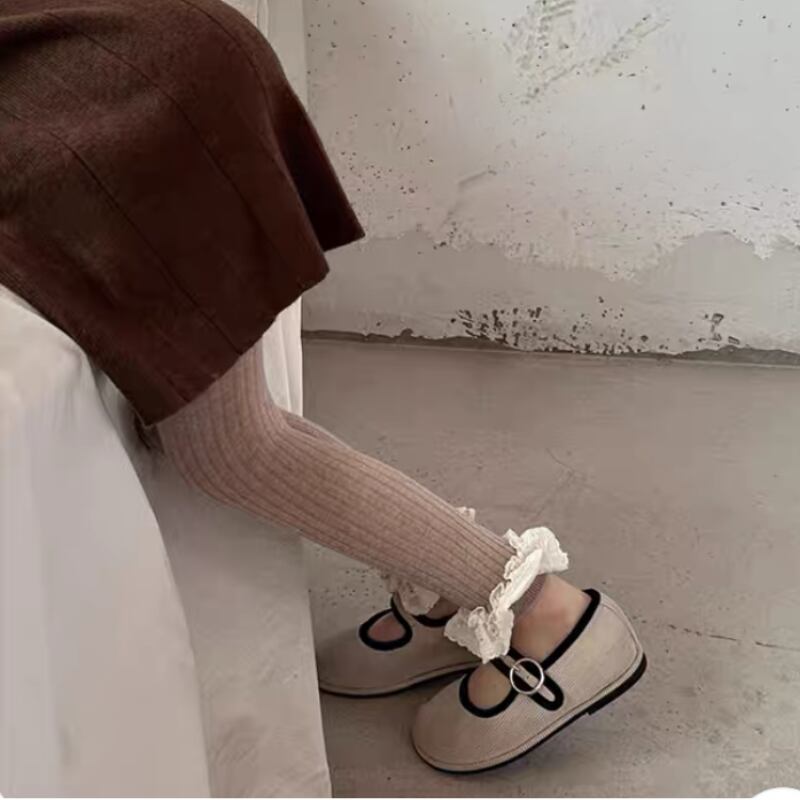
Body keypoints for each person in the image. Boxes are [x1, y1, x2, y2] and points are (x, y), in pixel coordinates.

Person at [0, 0, 645, 773]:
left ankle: (550, 615)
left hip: (113, 104)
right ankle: (448, 589)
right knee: (231, 437)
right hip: (133, 61)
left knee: (229, 450)